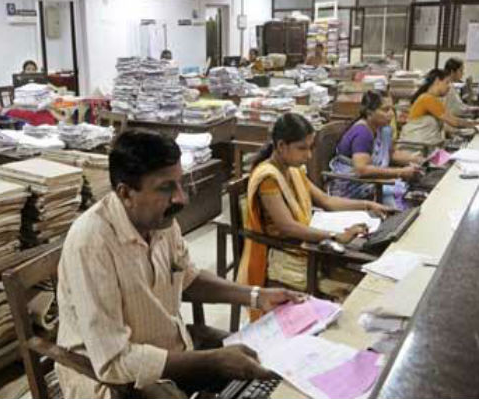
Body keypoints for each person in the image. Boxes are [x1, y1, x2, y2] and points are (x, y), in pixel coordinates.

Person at [56, 130, 305, 398]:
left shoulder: (160, 222)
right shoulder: (91, 243)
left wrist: (256, 296)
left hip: (166, 348)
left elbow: (188, 278)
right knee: (234, 372)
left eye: (180, 183)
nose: (181, 198)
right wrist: (213, 361)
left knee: (267, 363)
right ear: (125, 193)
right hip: (110, 379)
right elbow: (114, 362)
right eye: (166, 188)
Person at [237, 114, 393, 306]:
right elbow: (287, 227)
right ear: (281, 146)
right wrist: (335, 236)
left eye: (310, 148)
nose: (309, 155)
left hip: (302, 242)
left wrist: (367, 205)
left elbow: (327, 201)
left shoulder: (293, 169)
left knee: (364, 257)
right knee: (358, 274)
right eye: (302, 148)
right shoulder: (268, 178)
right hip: (287, 250)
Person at [329, 90, 422, 202]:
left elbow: (391, 154)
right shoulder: (362, 133)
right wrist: (400, 172)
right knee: (402, 195)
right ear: (369, 112)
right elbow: (362, 170)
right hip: (352, 187)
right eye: (385, 110)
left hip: (370, 182)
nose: (391, 114)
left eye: (392, 109)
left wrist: (416, 160)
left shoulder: (383, 129)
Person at [399, 69, 479, 146]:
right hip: (416, 148)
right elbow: (454, 122)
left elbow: (445, 124)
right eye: (446, 82)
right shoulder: (428, 99)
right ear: (437, 81)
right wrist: (478, 123)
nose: (449, 86)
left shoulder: (429, 98)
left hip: (421, 145)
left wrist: (459, 131)